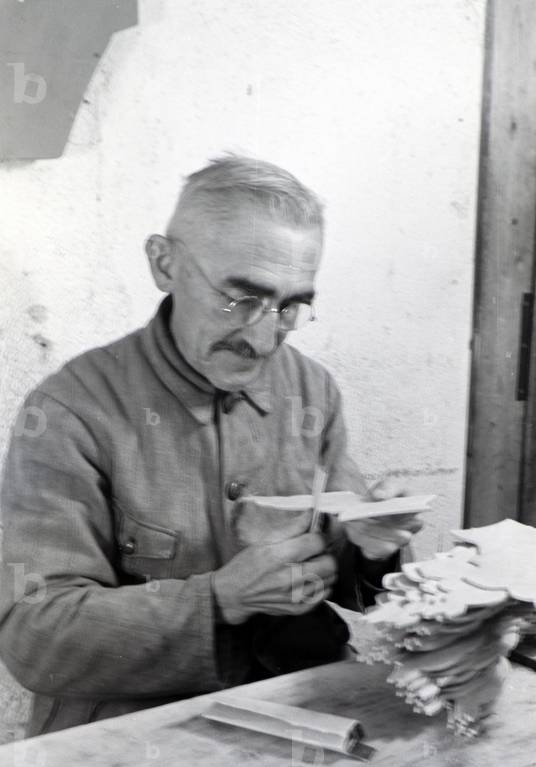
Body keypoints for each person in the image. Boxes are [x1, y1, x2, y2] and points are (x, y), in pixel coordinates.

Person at [0, 155, 423, 736]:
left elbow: (353, 579)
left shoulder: (312, 390)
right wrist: (218, 601)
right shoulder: (68, 412)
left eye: (291, 306)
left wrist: (373, 548)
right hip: (136, 731)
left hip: (300, 707)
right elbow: (34, 638)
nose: (265, 338)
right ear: (164, 264)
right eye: (239, 298)